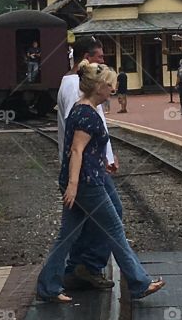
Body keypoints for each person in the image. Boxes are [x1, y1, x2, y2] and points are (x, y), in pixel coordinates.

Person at [37, 63, 166, 303]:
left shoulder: (80, 108)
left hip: (85, 178)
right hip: (87, 184)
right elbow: (76, 150)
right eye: (109, 85)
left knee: (67, 235)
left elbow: (86, 151)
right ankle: (139, 283)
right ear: (98, 87)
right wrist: (74, 185)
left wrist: (101, 163)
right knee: (115, 229)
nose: (113, 89)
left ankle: (48, 286)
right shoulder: (87, 114)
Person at [56, 36, 119, 290]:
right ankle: (88, 266)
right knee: (112, 216)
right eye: (99, 58)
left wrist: (110, 156)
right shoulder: (76, 88)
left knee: (76, 222)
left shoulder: (75, 84)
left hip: (91, 165)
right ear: (85, 58)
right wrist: (102, 161)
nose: (103, 62)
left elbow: (96, 125)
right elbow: (81, 135)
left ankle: (72, 270)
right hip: (87, 169)